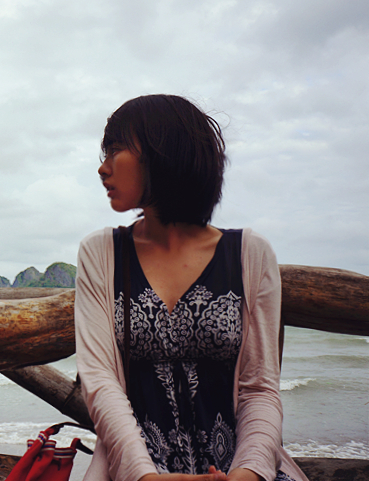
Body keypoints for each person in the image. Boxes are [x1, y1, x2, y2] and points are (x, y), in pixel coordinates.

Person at [74, 95, 309, 481]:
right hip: (135, 470)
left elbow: (259, 390)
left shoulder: (249, 254)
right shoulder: (101, 253)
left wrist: (247, 473)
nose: (103, 167)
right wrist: (147, 477)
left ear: (162, 154)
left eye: (116, 150)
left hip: (241, 469)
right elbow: (101, 383)